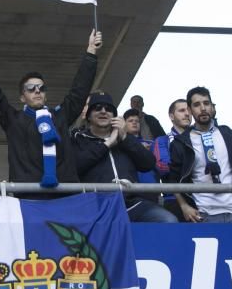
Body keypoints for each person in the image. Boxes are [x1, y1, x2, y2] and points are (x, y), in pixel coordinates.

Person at [0, 28, 102, 193]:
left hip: (64, 196)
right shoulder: (14, 120)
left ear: (45, 95)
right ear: (22, 97)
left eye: (41, 88)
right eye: (30, 88)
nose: (37, 91)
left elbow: (79, 92)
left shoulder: (60, 117)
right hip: (30, 199)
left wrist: (91, 51)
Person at [74, 93, 177, 222]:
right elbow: (76, 167)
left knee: (167, 220)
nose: (103, 111)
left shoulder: (125, 139)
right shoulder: (78, 138)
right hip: (94, 205)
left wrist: (124, 137)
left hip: (129, 203)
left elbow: (148, 164)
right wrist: (106, 145)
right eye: (97, 107)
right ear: (88, 115)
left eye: (109, 109)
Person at [167, 86, 232, 223]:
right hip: (203, 213)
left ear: (212, 107)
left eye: (206, 103)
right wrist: (184, 206)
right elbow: (173, 179)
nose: (203, 108)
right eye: (197, 105)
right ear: (190, 110)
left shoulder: (229, 135)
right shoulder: (180, 143)